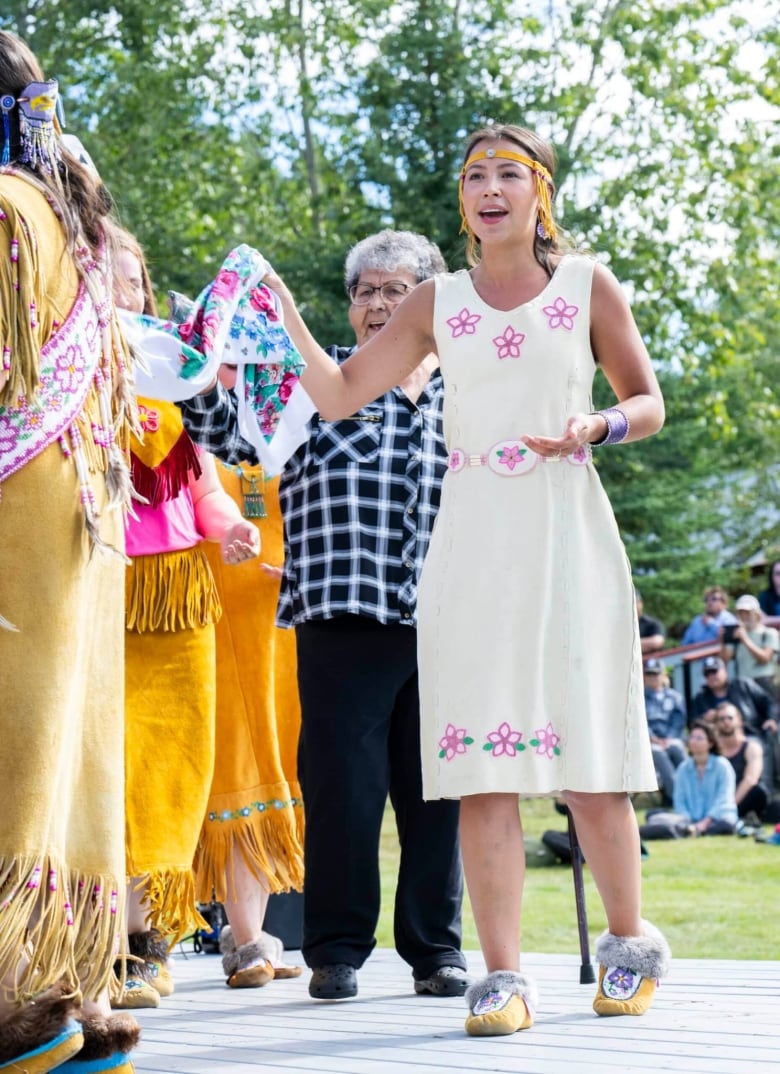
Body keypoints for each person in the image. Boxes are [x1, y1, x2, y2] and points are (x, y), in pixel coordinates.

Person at [253, 125, 672, 1034]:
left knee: (591, 767)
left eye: (508, 174)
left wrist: (595, 428)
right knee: (483, 770)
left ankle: (629, 949)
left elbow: (649, 401)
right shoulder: (435, 302)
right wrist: (284, 311)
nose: (490, 187)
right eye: (474, 173)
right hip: (472, 535)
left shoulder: (586, 285)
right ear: (463, 199)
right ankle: (503, 977)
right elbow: (336, 394)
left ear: (539, 192)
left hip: (567, 526)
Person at [179, 229, 469, 1003]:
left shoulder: (471, 386)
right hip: (342, 611)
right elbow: (220, 433)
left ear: (429, 298)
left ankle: (436, 949)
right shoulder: (316, 380)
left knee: (439, 793)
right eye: (364, 291)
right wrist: (200, 362)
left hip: (449, 617)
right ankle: (336, 950)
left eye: (394, 289)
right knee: (340, 793)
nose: (377, 304)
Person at [0, 31, 139, 1074]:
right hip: (78, 514)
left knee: (21, 742)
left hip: (23, 521)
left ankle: (17, 999)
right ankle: (73, 989)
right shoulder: (79, 220)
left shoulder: (8, 211)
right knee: (67, 744)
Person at [110, 226, 261, 1009]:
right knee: (102, 770)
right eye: (99, 272)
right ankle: (87, 941)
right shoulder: (50, 370)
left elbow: (202, 482)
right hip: (93, 590)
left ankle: (148, 944)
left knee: (171, 766)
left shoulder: (175, 373)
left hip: (173, 596)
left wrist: (230, 526)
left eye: (131, 276)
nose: (120, 288)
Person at [194, 362, 305, 990]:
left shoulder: (296, 417)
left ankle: (251, 939)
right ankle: (235, 939)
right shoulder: (186, 414)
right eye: (224, 353)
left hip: (285, 623)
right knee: (235, 770)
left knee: (272, 769)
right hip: (205, 616)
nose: (238, 368)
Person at [690, 655, 777, 788]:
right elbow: (692, 724)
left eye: (714, 671)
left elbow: (769, 702)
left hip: (751, 735)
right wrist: (704, 721)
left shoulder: (742, 685)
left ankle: (766, 787)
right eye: (707, 673)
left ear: (725, 671)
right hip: (719, 742)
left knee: (756, 748)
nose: (711, 676)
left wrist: (772, 719)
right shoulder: (700, 699)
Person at [640, 722, 737, 839]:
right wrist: (689, 821)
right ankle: (688, 830)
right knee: (653, 814)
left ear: (710, 743)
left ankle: (687, 831)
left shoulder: (722, 765)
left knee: (726, 825)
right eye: (691, 737)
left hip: (717, 818)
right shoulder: (683, 768)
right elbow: (679, 800)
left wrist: (704, 823)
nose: (693, 741)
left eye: (699, 738)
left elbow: (724, 799)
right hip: (688, 820)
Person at [713, 702, 769, 823]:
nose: (726, 721)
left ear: (739, 720)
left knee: (758, 791)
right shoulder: (712, 750)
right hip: (718, 797)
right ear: (716, 723)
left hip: (742, 797)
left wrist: (729, 806)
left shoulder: (751, 747)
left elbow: (751, 779)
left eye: (730, 718)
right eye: (721, 719)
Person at [643, 658, 686, 805]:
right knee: (658, 752)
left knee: (678, 748)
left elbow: (679, 720)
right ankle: (677, 797)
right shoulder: (638, 698)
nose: (653, 677)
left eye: (656, 673)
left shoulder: (675, 697)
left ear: (663, 675)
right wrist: (652, 738)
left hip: (671, 738)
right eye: (649, 674)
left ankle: (692, 790)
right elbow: (639, 721)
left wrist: (669, 738)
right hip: (648, 742)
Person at [721, 593, 778, 700]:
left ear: (756, 613)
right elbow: (724, 660)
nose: (744, 616)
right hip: (743, 684)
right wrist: (723, 641)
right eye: (740, 613)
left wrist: (745, 639)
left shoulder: (769, 633)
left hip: (764, 682)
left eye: (747, 613)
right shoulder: (736, 635)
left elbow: (765, 658)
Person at [636, 589, 665, 654]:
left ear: (641, 603)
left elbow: (657, 642)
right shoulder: (621, 627)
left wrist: (629, 645)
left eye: (635, 602)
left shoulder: (652, 623)